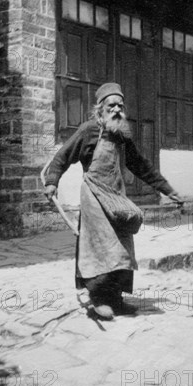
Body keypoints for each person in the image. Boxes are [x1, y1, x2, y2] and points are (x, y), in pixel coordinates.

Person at [44, 83, 182, 319]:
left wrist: (167, 189)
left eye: (120, 105)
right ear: (100, 109)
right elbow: (62, 156)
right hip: (94, 197)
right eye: (111, 105)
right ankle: (98, 299)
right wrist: (52, 182)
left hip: (116, 197)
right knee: (99, 247)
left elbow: (140, 165)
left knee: (123, 246)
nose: (117, 109)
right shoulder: (88, 131)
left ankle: (116, 299)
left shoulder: (122, 135)